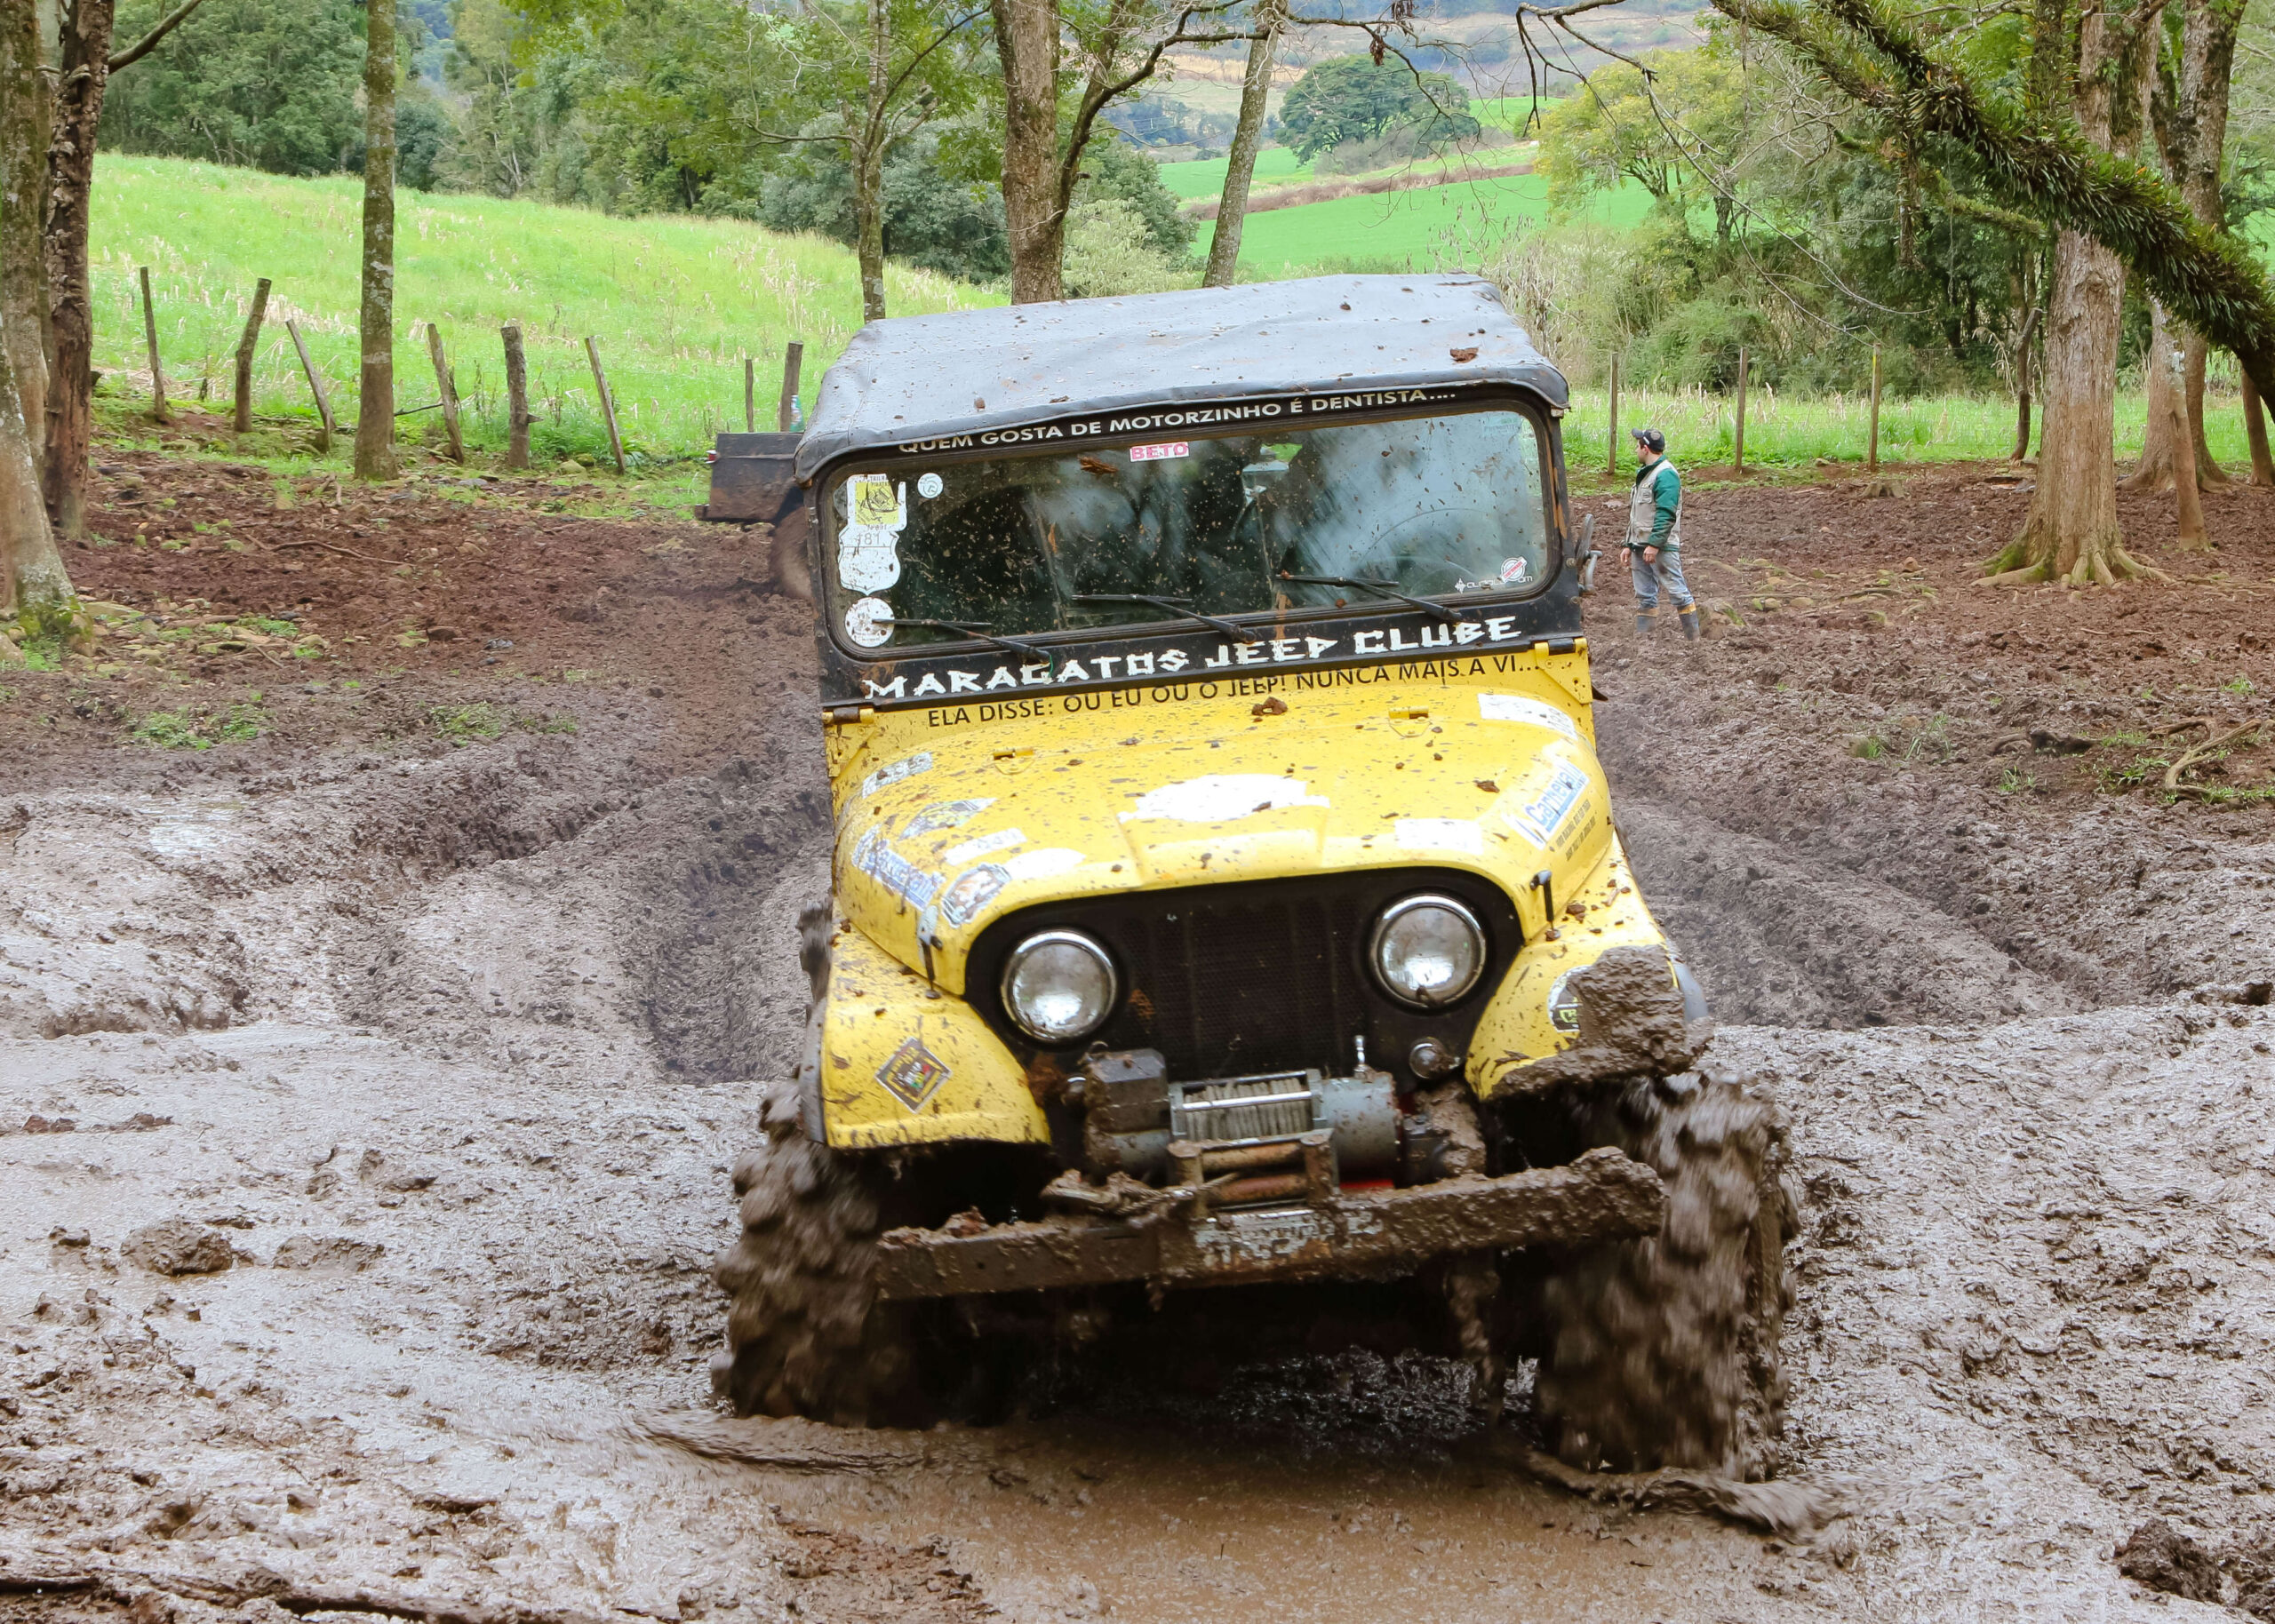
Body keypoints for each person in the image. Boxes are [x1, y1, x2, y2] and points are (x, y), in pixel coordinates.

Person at [1620, 426, 1698, 641]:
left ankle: (1695, 642)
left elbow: (1666, 514)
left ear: (1645, 448)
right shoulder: (1647, 475)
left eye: (1637, 446)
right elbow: (1638, 514)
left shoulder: (1666, 475)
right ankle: (1644, 641)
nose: (1635, 450)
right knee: (1645, 596)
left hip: (1660, 547)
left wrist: (1654, 545)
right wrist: (1628, 543)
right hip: (1640, 545)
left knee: (1678, 592)